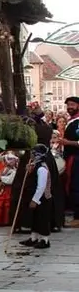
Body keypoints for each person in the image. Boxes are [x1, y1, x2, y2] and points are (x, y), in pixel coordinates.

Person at [19, 145, 53, 249]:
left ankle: (44, 240)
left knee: (42, 219)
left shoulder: (42, 168)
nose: (30, 155)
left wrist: (35, 200)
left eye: (32, 153)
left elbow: (41, 186)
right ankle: (34, 238)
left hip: (42, 198)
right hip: (36, 197)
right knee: (35, 219)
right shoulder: (34, 166)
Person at [61, 97, 79, 228]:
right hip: (71, 158)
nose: (69, 107)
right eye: (68, 105)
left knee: (76, 188)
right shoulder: (71, 121)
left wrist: (68, 143)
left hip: (77, 159)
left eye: (72, 104)